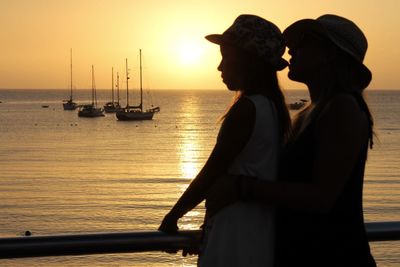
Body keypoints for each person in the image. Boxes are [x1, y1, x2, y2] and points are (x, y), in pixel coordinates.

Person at [206, 14, 377, 267]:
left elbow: (322, 196)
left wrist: (241, 187)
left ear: (329, 54)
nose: (291, 47)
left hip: (335, 257)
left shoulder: (343, 108)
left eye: (304, 40)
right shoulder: (307, 113)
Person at [158, 14, 291, 266]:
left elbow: (212, 172)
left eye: (226, 57)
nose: (219, 67)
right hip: (256, 236)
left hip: (234, 237)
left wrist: (173, 216)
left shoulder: (247, 109)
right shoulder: (272, 108)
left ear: (248, 62)